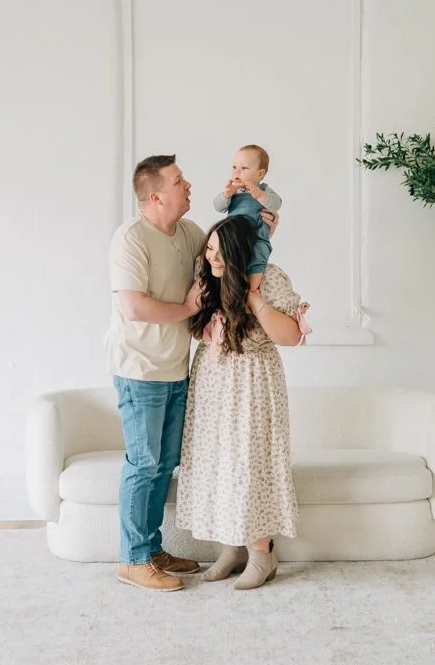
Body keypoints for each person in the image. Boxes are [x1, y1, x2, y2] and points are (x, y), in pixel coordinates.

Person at [107, 155, 279, 592]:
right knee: (144, 463)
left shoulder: (189, 233)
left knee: (165, 463)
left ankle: (152, 550)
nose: (189, 186)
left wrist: (264, 231)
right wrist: (186, 309)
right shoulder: (130, 239)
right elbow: (132, 306)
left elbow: (228, 256)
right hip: (141, 369)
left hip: (179, 367)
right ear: (156, 195)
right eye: (179, 181)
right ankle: (133, 560)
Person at [175, 215, 311, 591]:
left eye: (219, 252)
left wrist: (253, 297)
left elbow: (288, 336)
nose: (211, 258)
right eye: (209, 249)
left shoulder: (267, 278)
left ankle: (261, 553)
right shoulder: (209, 280)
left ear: (238, 253)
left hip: (253, 381)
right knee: (219, 464)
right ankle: (231, 548)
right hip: (214, 382)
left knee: (250, 465)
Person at [213, 144, 281, 294]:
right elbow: (218, 207)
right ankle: (227, 288)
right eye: (234, 167)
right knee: (228, 260)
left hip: (257, 238)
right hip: (233, 238)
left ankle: (251, 290)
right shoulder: (234, 192)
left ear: (260, 174)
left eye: (244, 168)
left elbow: (277, 203)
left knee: (259, 256)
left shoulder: (264, 191)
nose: (237, 171)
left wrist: (260, 195)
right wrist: (226, 195)